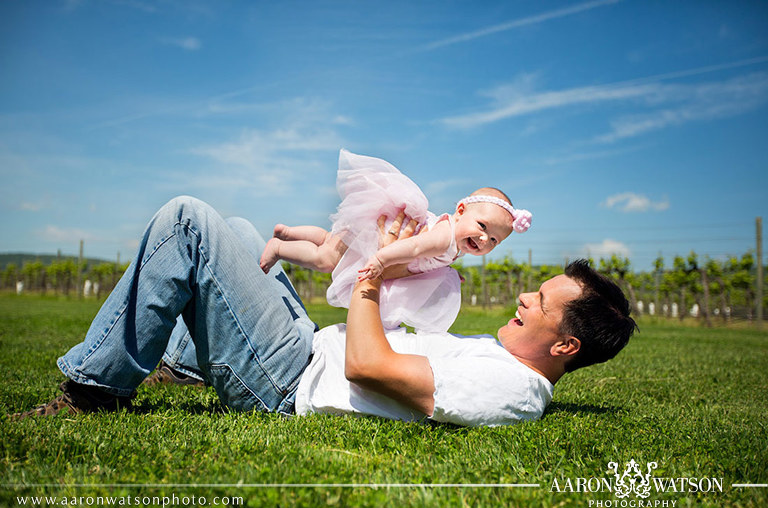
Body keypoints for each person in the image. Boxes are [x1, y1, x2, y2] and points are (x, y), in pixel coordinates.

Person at [12, 196, 636, 427]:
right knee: (239, 228)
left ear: (566, 346)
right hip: (306, 348)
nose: (525, 297)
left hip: (288, 382)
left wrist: (378, 269)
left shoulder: (510, 388)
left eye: (542, 303)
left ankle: (94, 389)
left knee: (189, 222)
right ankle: (182, 364)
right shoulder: (499, 355)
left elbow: (367, 367)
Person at [259, 149, 533, 332]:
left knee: (329, 240)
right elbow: (413, 247)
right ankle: (280, 247)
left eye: (494, 240)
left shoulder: (454, 240)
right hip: (377, 239)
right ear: (460, 211)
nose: (484, 238)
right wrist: (380, 259)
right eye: (482, 226)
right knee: (326, 259)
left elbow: (428, 255)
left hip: (369, 229)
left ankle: (287, 232)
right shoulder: (445, 236)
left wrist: (446, 268)